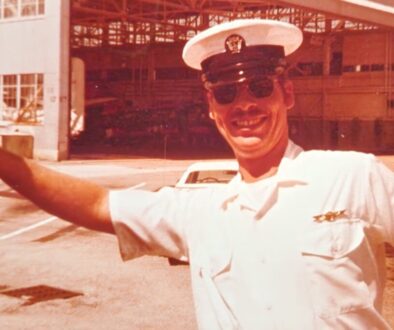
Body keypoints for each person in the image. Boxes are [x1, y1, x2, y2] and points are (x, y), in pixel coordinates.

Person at [0, 19, 393, 330]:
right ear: (211, 106)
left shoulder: (353, 177)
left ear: (286, 93)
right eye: (226, 94)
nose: (245, 105)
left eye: (259, 87)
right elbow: (99, 203)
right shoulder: (200, 211)